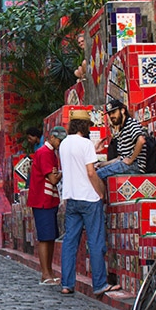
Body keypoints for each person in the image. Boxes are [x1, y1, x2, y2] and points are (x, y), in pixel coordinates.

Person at [58, 111, 118, 296]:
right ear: (85, 126)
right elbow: (91, 172)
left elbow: (75, 162)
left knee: (69, 241)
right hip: (89, 198)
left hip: (72, 198)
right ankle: (99, 283)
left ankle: (67, 284)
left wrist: (93, 148)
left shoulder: (63, 144)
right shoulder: (85, 144)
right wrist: (100, 191)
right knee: (95, 241)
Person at [27, 126, 66, 285]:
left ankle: (49, 272)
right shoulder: (44, 153)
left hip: (48, 200)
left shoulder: (49, 153)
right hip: (42, 200)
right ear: (52, 138)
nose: (60, 143)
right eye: (59, 140)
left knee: (50, 237)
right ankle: (45, 274)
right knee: (45, 237)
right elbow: (53, 179)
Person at [95, 100, 147, 180]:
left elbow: (141, 140)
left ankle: (101, 193)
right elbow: (120, 158)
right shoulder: (121, 130)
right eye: (109, 114)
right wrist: (103, 164)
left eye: (114, 112)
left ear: (122, 110)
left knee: (97, 175)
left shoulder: (131, 123)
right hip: (126, 164)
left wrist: (131, 159)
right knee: (98, 172)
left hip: (135, 165)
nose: (111, 116)